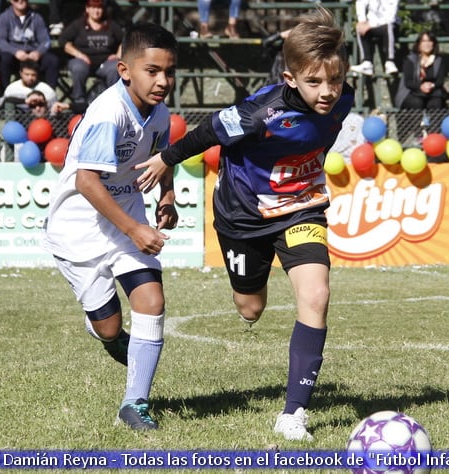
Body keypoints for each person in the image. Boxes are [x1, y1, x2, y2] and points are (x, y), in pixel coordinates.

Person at [135, 7, 354, 442]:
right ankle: (256, 278)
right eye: (314, 83)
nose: (328, 92)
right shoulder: (259, 113)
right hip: (242, 216)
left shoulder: (342, 98)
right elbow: (207, 133)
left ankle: (293, 414)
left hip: (301, 209)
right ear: (291, 79)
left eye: (334, 80)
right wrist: (164, 160)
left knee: (316, 295)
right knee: (249, 308)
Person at [41, 22, 179, 431]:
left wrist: (166, 198)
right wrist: (137, 230)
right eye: (152, 71)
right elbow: (86, 182)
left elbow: (162, 159)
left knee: (152, 300)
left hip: (126, 216)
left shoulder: (160, 113)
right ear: (124, 70)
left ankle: (133, 404)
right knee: (109, 327)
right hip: (78, 228)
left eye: (169, 72)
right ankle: (105, 332)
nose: (162, 81)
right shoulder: (109, 113)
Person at [60, 0, 125, 112]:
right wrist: (79, 54)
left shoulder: (110, 24)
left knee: (115, 67)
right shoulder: (78, 24)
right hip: (83, 61)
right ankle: (79, 103)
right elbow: (63, 41)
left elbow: (125, 40)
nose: (96, 11)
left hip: (105, 63)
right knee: (78, 67)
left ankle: (113, 104)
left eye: (99, 8)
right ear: (87, 9)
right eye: (93, 7)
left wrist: (118, 55)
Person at [0, 0, 60, 94]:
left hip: (33, 55)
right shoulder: (4, 17)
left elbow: (45, 41)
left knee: (52, 60)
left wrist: (38, 52)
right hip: (14, 56)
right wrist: (15, 52)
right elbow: (0, 41)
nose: (20, 1)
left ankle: (49, 96)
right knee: (4, 59)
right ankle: (5, 96)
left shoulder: (36, 17)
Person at [395, 31, 447, 110]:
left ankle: (434, 122)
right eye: (424, 41)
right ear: (419, 44)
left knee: (436, 102)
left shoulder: (439, 60)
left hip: (432, 92)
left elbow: (440, 80)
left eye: (430, 41)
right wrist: (421, 86)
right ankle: (415, 122)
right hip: (412, 92)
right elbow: (408, 82)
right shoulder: (410, 59)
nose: (427, 44)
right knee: (416, 102)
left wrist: (431, 86)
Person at [349, 0, 399, 76]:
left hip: (388, 25)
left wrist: (370, 25)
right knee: (359, 27)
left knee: (389, 27)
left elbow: (390, 18)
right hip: (371, 24)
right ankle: (367, 62)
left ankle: (390, 62)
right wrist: (362, 21)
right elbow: (361, 3)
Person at [0, 60, 69, 115]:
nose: (30, 78)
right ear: (20, 73)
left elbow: (53, 111)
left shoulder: (47, 90)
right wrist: (26, 101)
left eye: (33, 75)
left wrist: (42, 102)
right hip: (18, 122)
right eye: (27, 74)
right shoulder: (12, 88)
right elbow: (2, 104)